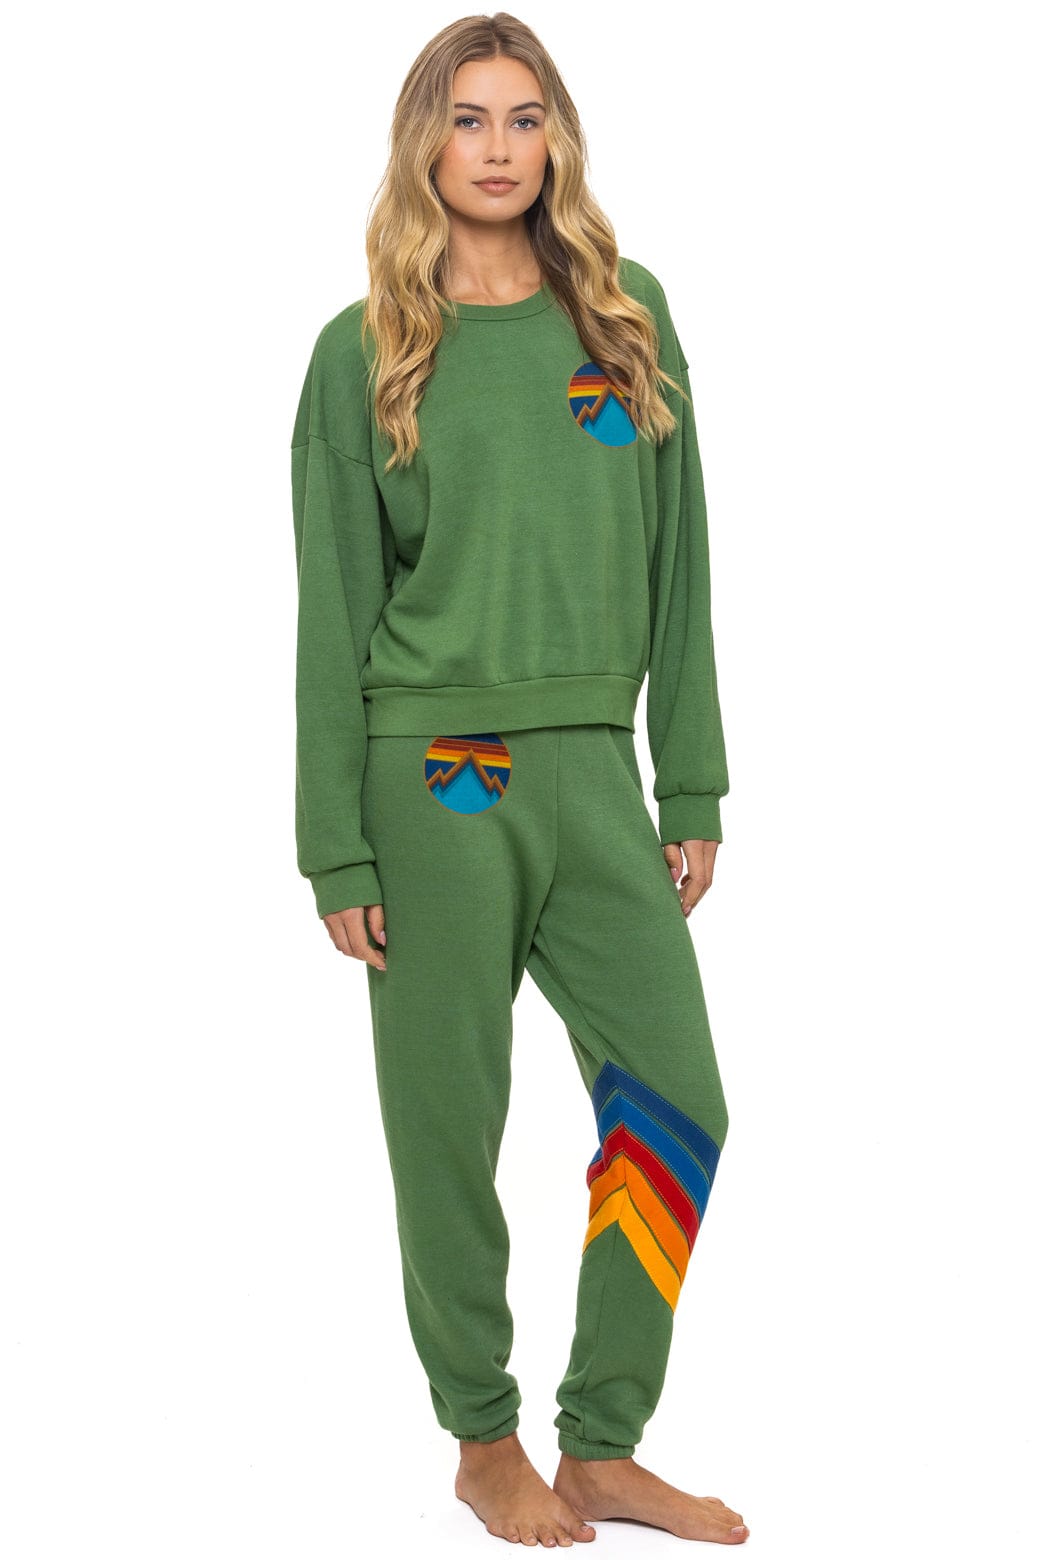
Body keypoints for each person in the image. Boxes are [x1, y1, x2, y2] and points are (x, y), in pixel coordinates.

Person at [290, 12, 749, 1549]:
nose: (498, 147)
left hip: (597, 768)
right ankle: (481, 1439)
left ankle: (602, 1442)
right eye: (469, 118)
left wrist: (692, 784)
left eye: (525, 117)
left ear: (558, 139)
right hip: (432, 784)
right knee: (449, 1124)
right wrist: (336, 846)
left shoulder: (626, 317)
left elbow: (684, 565)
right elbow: (334, 609)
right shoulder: (364, 350)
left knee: (674, 1102)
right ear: (425, 141)